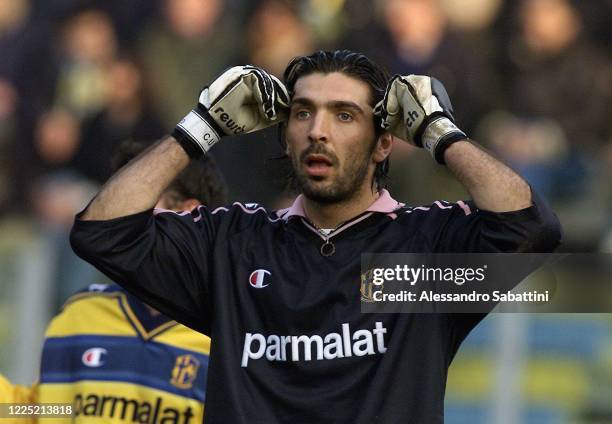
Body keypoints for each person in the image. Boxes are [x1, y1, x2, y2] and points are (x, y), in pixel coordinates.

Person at [70, 51, 561, 423]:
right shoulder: (235, 244)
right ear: (285, 135)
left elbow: (528, 227)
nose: (317, 131)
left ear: (383, 142)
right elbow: (102, 232)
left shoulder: (421, 252)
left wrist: (439, 132)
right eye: (302, 113)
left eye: (344, 115)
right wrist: (199, 128)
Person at [1, 140, 228, 423]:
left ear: (187, 213)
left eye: (134, 201)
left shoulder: (231, 336)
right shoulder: (81, 314)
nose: (113, 218)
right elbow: (46, 410)